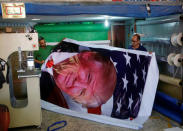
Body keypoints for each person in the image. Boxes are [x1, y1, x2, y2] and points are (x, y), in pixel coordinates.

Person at [42, 51, 117, 108]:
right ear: (86, 56)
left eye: (81, 92)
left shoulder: (44, 95)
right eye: (88, 77)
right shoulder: (64, 42)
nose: (77, 83)